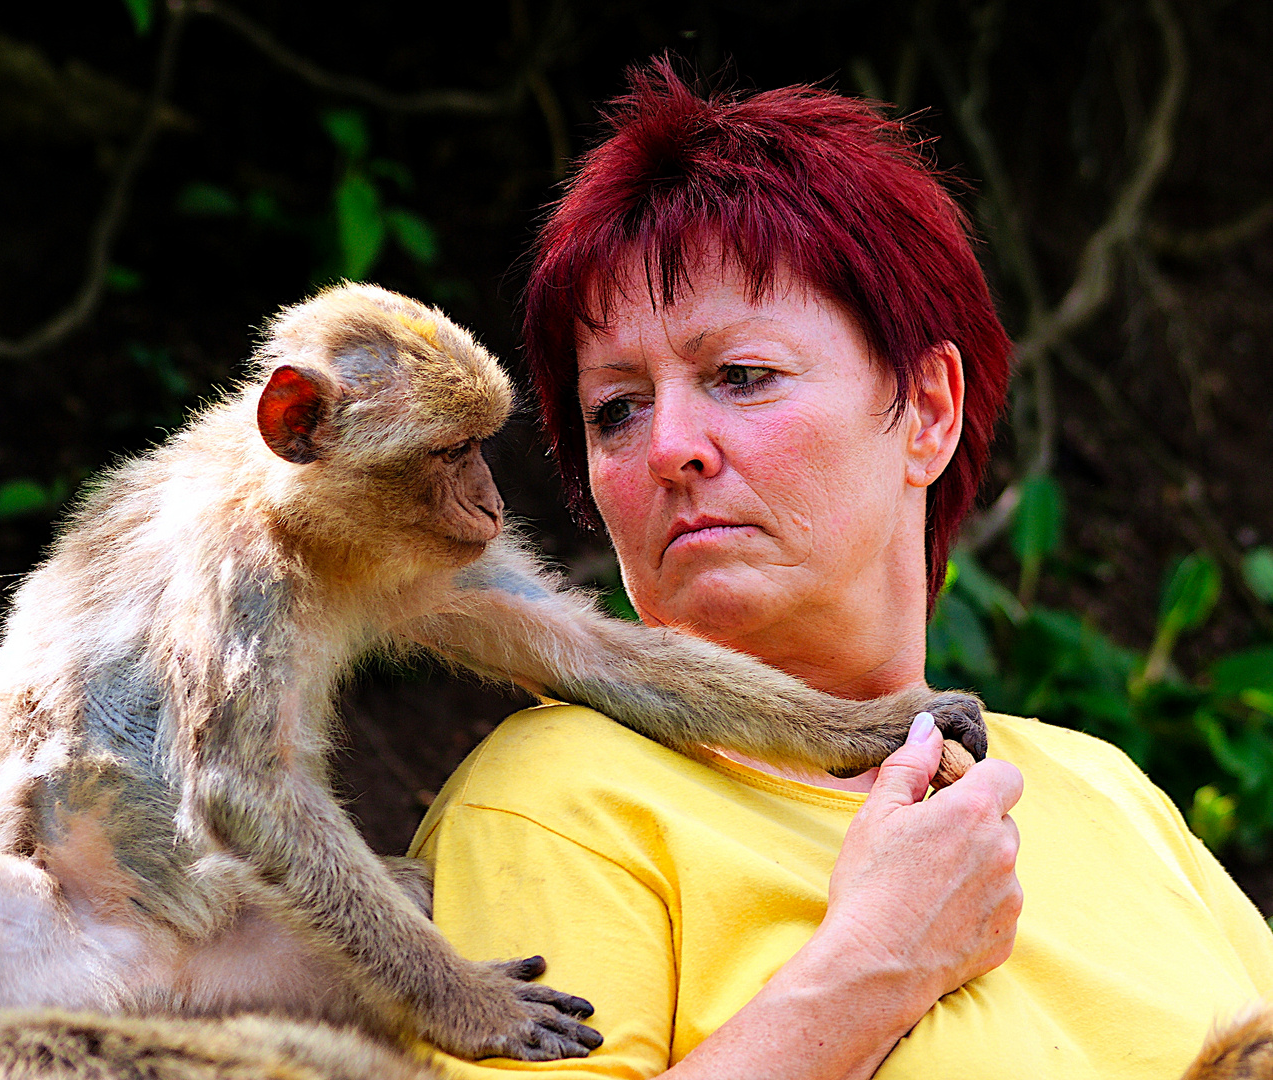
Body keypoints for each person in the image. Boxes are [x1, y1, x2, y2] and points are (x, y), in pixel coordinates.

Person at [409, 60, 1273, 1079]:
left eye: (741, 375)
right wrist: (868, 971)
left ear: (929, 411)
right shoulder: (558, 801)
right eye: (617, 409)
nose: (668, 447)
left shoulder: (1111, 797)